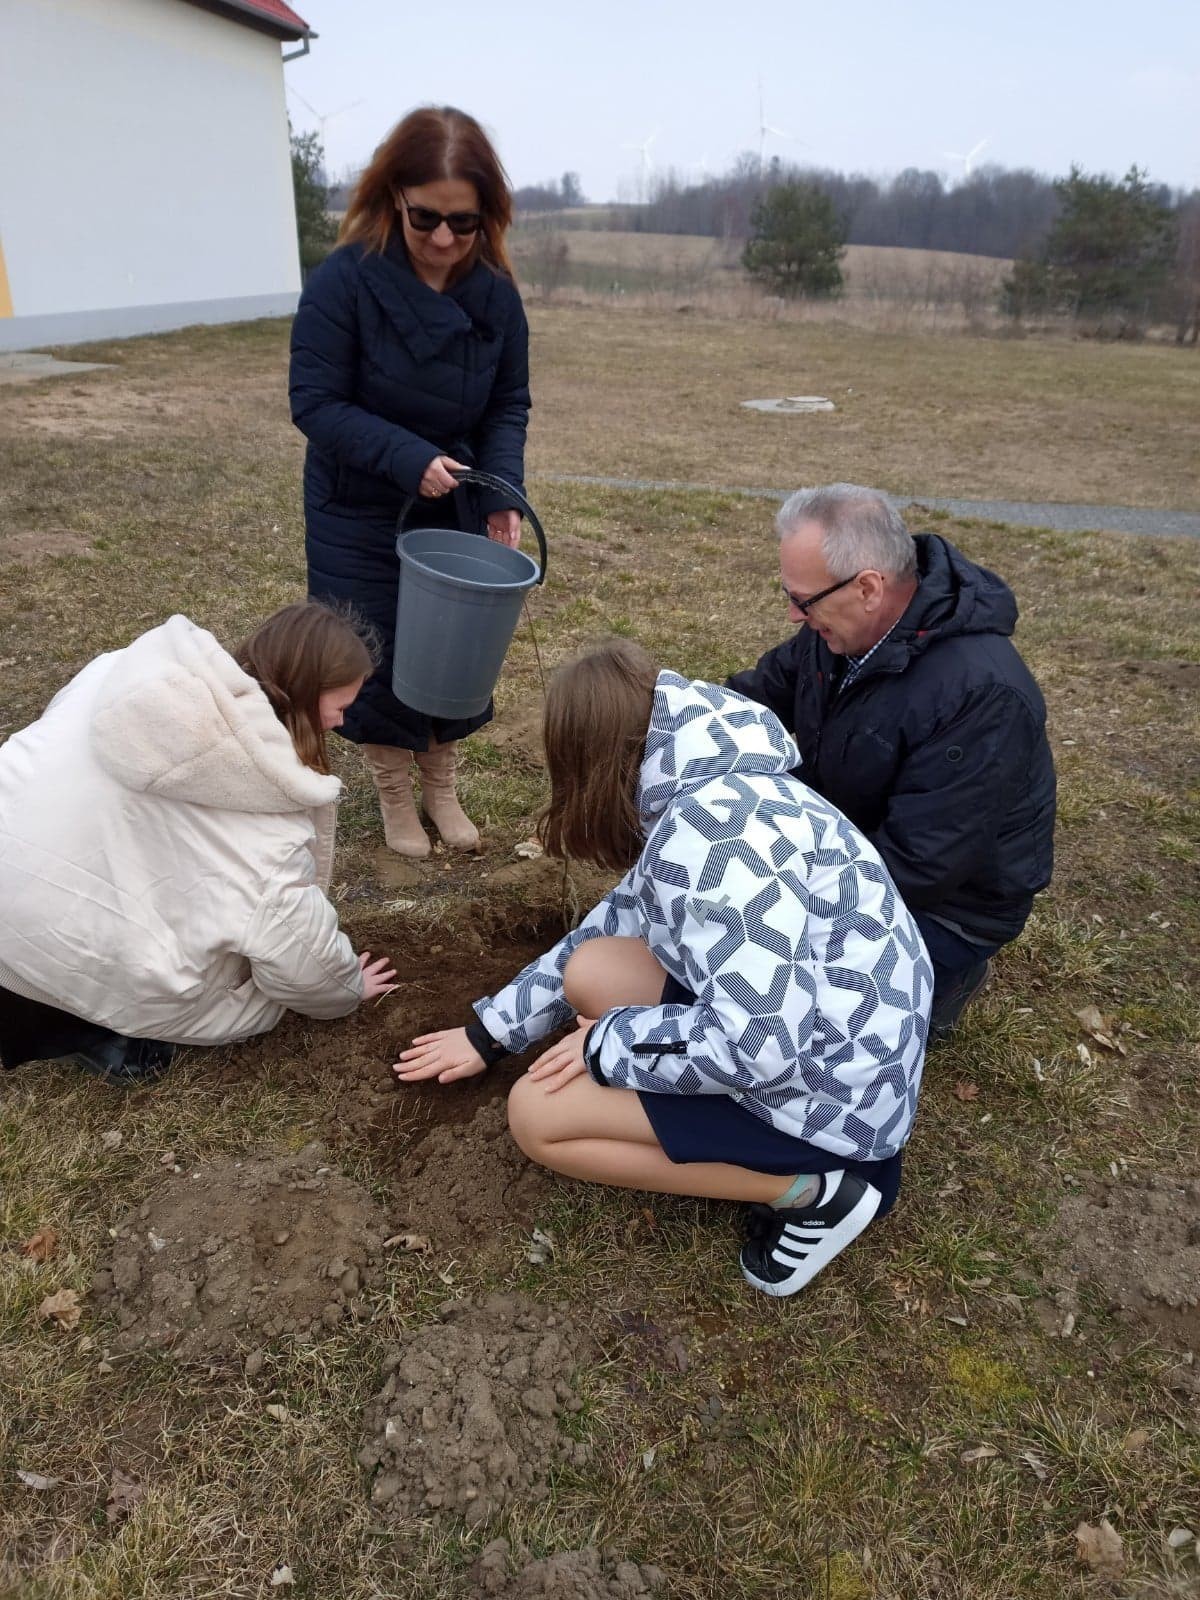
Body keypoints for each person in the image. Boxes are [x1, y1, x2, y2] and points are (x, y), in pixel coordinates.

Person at [394, 641, 932, 1298]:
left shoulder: (710, 840)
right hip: (831, 1034)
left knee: (536, 1116)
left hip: (833, 1101)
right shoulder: (704, 785)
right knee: (593, 969)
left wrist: (608, 1045)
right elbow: (614, 924)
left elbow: (760, 1049)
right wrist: (489, 1034)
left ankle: (814, 1192)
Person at [0, 603, 397, 1085]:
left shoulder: (121, 673)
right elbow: (302, 964)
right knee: (257, 999)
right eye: (341, 708)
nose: (340, 723)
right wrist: (346, 988)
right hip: (48, 950)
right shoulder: (267, 832)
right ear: (305, 695)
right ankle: (102, 1034)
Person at [727, 484, 1056, 1041]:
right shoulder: (837, 633)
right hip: (848, 837)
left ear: (868, 588)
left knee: (786, 1015)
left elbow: (920, 866)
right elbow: (753, 700)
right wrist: (670, 723)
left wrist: (774, 896)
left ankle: (951, 974)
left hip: (947, 908)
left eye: (803, 601)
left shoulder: (982, 695)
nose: (793, 614)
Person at [289, 104, 531, 860]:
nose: (443, 239)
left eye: (464, 222)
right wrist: (405, 458)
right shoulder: (345, 282)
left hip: (453, 499)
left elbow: (507, 404)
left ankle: (441, 785)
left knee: (454, 647)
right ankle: (394, 793)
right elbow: (315, 403)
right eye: (426, 217)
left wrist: (500, 492)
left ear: (487, 216)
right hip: (357, 505)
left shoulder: (495, 293)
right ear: (394, 196)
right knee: (376, 649)